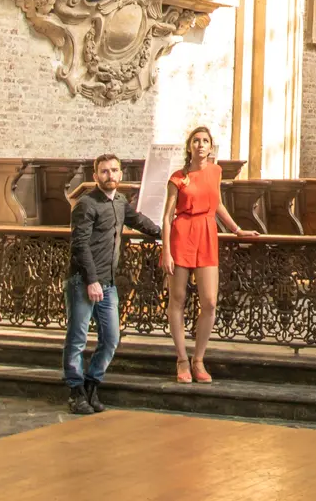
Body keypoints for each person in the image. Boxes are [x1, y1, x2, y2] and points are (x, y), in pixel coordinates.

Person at [64, 153, 161, 415]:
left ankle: (92, 384)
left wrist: (165, 234)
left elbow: (138, 221)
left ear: (121, 174)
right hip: (83, 281)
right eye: (104, 171)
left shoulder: (119, 202)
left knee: (111, 338)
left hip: (107, 284)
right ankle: (75, 392)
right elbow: (79, 245)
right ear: (95, 176)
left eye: (114, 171)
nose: (110, 175)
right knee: (77, 338)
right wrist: (91, 281)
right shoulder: (86, 204)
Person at [160, 126, 256, 384]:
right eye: (196, 141)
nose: (201, 145)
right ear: (189, 146)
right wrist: (166, 251)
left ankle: (198, 359)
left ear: (211, 147)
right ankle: (181, 359)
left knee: (210, 301)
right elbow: (168, 217)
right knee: (177, 300)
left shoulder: (215, 171)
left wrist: (237, 230)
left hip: (206, 234)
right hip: (182, 234)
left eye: (205, 141)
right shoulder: (178, 178)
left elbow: (218, 205)